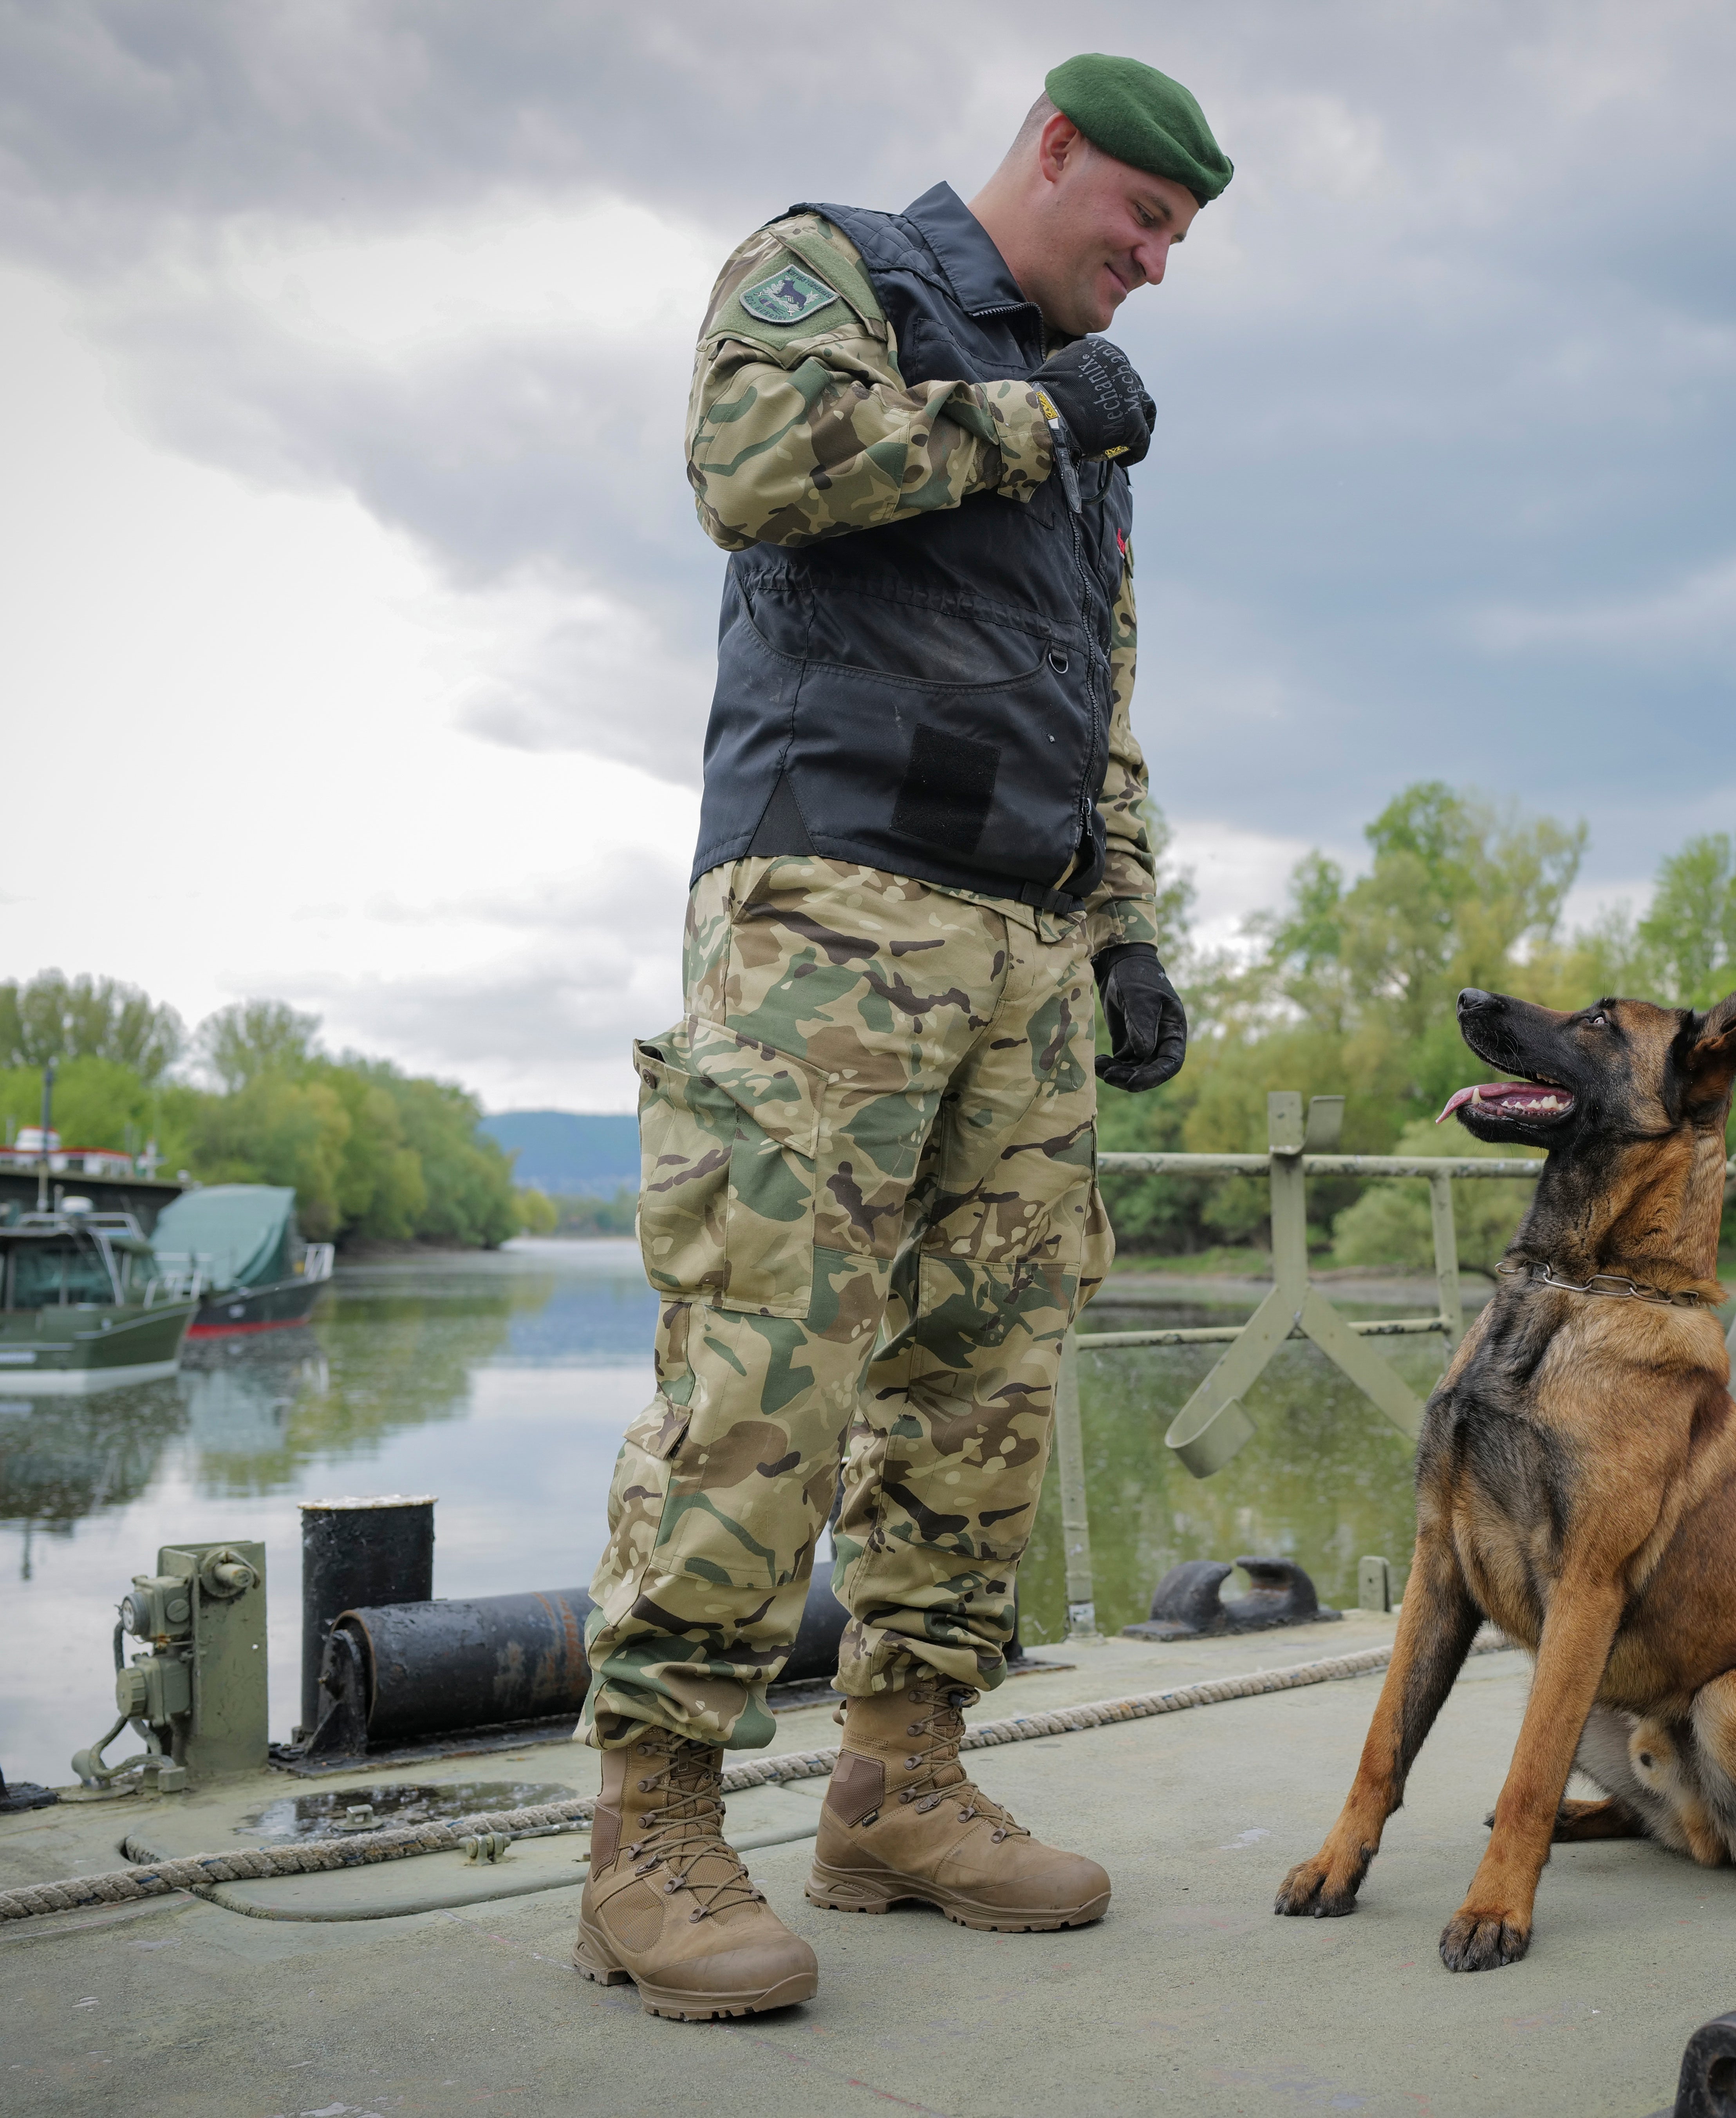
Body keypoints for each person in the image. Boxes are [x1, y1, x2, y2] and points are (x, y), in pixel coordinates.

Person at [567, 54, 1226, 2022]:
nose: (1157, 264)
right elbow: (751, 470)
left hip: (1023, 948)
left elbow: (1096, 702)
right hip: (828, 914)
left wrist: (1121, 927)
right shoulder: (834, 269)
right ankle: (652, 1835)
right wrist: (1030, 418)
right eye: (1145, 218)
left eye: (1182, 241)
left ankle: (899, 1781)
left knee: (982, 1385)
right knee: (767, 1358)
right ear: (1052, 151)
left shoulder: (1088, 442)